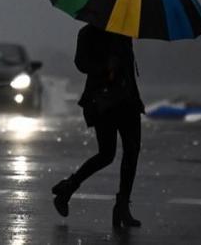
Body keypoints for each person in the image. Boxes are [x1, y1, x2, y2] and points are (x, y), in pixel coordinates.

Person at [51, 23, 145, 228]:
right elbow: (81, 63)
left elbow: (128, 68)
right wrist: (105, 68)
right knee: (107, 154)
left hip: (127, 100)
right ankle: (68, 188)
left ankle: (122, 206)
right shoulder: (88, 33)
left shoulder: (124, 32)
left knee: (132, 150)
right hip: (103, 102)